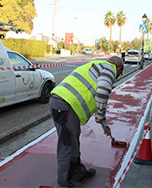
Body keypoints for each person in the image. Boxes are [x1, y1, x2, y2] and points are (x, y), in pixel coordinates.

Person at [49, 56, 124, 187]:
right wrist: (100, 116)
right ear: (118, 68)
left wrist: (104, 124)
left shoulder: (97, 64)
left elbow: (94, 95)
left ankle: (78, 171)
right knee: (66, 144)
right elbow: (102, 92)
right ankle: (64, 183)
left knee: (73, 141)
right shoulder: (110, 69)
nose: (117, 76)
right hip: (65, 105)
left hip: (63, 104)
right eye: (119, 73)